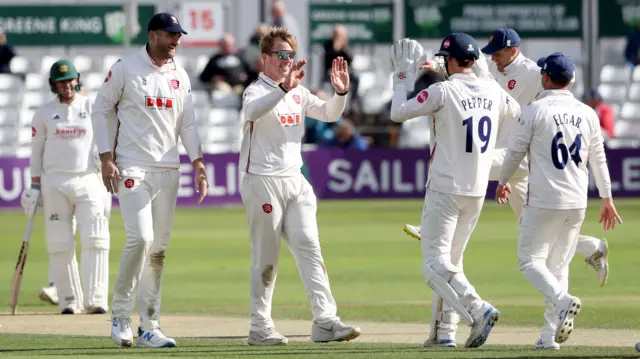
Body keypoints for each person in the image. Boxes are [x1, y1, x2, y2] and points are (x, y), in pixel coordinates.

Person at [402, 27, 610, 287]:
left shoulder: (535, 74)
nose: (493, 58)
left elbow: (561, 95)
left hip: (518, 155)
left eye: (498, 53)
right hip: (504, 159)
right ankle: (592, 248)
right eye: (489, 53)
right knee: (532, 227)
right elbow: (464, 77)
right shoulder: (489, 70)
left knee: (462, 159)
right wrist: (437, 66)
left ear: (514, 50)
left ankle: (433, 227)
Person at [390, 34, 521, 348]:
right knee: (451, 265)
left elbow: (398, 113)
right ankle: (444, 332)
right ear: (474, 61)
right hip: (476, 191)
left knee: (434, 264)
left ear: (449, 61)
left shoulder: (442, 90)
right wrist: (483, 78)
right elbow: (515, 110)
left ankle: (478, 308)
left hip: (445, 188)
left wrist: (401, 77)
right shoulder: (492, 89)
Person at [92, 12, 208, 348]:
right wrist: (105, 158)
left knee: (158, 250)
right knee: (140, 239)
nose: (176, 41)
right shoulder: (125, 67)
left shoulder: (179, 75)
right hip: (132, 168)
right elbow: (100, 109)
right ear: (153, 34)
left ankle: (150, 327)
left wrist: (198, 163)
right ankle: (119, 315)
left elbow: (188, 124)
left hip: (168, 170)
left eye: (179, 35)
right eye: (170, 34)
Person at [239, 26, 360, 346]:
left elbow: (329, 115)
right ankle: (260, 326)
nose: (285, 60)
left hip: (295, 180)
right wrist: (282, 88)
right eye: (279, 55)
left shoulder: (299, 91)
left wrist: (340, 94)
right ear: (264, 58)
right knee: (267, 258)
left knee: (310, 247)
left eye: (289, 55)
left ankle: (325, 320)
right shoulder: (255, 90)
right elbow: (252, 112)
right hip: (262, 181)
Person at [496, 52, 623, 350]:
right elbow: (599, 161)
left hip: (544, 199)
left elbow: (514, 152)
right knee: (558, 266)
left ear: (544, 77)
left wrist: (502, 182)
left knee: (529, 262)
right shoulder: (588, 113)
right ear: (572, 80)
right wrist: (607, 198)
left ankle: (563, 302)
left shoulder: (534, 110)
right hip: (577, 201)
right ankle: (548, 335)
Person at [21, 59, 111, 314]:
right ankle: (69, 299)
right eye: (61, 82)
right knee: (59, 243)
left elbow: (107, 139)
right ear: (53, 85)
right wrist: (34, 186)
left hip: (88, 180)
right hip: (54, 183)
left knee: (96, 238)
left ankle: (96, 298)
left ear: (77, 80)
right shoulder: (44, 113)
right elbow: (36, 152)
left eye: (70, 80)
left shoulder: (92, 107)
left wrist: (104, 161)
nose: (67, 86)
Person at [39, 191, 113, 307]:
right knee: (61, 236)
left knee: (97, 237)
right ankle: (58, 285)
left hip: (99, 182)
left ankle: (96, 293)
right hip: (67, 180)